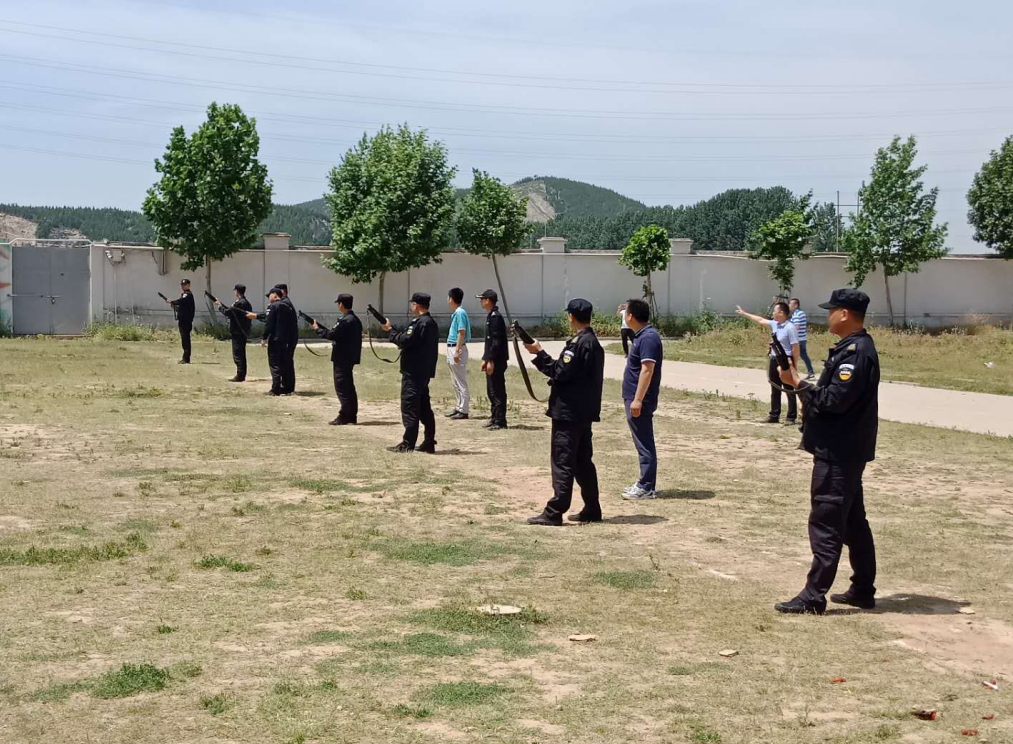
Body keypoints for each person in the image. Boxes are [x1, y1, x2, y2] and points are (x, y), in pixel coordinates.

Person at [775, 288, 880, 615]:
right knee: (853, 523)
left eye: (832, 310)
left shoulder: (856, 353)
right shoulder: (853, 347)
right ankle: (862, 589)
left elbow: (834, 401)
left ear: (845, 314)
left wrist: (797, 382)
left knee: (827, 521)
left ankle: (813, 595)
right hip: (845, 448)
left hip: (839, 451)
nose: (828, 316)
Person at [521, 298, 605, 526]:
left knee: (563, 461)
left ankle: (554, 511)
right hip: (583, 412)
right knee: (582, 462)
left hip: (569, 413)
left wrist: (539, 353)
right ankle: (592, 508)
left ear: (571, 316)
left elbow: (560, 371)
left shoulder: (578, 344)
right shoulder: (592, 342)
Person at [382, 293, 439, 453]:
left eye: (412, 303)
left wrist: (390, 331)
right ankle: (429, 441)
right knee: (424, 408)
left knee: (410, 406)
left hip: (413, 372)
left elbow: (405, 341)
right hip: (423, 371)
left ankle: (408, 443)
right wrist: (394, 331)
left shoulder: (420, 323)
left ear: (417, 305)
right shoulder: (430, 323)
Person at [620, 299, 663, 501]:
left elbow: (647, 370)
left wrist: (637, 400)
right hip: (633, 397)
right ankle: (645, 483)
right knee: (641, 442)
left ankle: (646, 486)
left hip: (640, 400)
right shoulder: (641, 335)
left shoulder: (648, 338)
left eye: (625, 312)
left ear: (631, 316)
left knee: (644, 442)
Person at [736, 301, 800, 425]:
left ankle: (791, 417)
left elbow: (795, 347)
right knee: (775, 387)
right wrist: (744, 313)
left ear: (781, 313)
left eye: (775, 311)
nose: (773, 313)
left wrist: (794, 364)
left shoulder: (790, 327)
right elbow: (760, 320)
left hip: (786, 359)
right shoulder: (775, 324)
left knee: (788, 388)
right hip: (774, 358)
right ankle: (774, 415)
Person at [312, 294, 362, 425]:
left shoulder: (345, 320)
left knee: (342, 387)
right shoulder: (354, 319)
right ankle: (351, 415)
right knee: (348, 387)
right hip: (348, 357)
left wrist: (318, 330)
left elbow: (333, 335)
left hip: (342, 357)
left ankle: (345, 415)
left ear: (341, 304)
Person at [246, 287, 291, 396]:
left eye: (270, 295)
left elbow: (269, 324)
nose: (269, 297)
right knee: (283, 363)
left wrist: (264, 337)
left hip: (275, 339)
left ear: (275, 295)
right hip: (284, 339)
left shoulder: (273, 306)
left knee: (274, 364)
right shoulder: (287, 306)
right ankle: (285, 387)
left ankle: (275, 389)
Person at [477, 289, 509, 430]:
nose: (481, 301)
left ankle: (500, 420)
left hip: (497, 360)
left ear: (488, 300)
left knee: (497, 390)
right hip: (492, 358)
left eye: (482, 299)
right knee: (491, 390)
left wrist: (490, 360)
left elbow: (496, 342)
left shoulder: (496, 317)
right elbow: (489, 342)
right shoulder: (491, 316)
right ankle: (494, 417)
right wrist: (485, 358)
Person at [213, 284, 253, 382]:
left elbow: (228, 312)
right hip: (242, 331)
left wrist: (219, 306)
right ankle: (241, 374)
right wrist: (221, 304)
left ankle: (240, 375)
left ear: (237, 291)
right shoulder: (246, 303)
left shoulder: (239, 303)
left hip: (237, 331)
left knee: (238, 354)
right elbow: (231, 310)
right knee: (241, 353)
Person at [444, 288, 472, 420]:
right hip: (451, 347)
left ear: (452, 298)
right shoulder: (457, 313)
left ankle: (464, 409)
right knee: (455, 380)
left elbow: (462, 332)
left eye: (448, 297)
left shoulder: (460, 313)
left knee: (460, 380)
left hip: (456, 347)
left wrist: (457, 350)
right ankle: (458, 406)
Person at [165, 278, 195, 364]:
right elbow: (182, 307)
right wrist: (174, 306)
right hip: (183, 320)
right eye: (182, 285)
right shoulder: (184, 294)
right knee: (184, 338)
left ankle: (186, 358)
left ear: (189, 285)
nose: (183, 286)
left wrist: (172, 302)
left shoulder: (188, 295)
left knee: (185, 339)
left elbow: (181, 301)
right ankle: (185, 357)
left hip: (186, 321)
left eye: (185, 284)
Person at [276, 283, 298, 394]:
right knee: (286, 362)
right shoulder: (285, 303)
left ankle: (287, 386)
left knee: (287, 362)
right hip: (289, 337)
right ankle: (287, 385)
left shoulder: (285, 303)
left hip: (288, 338)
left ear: (282, 291)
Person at [790, 298, 816, 379]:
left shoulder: (796, 314)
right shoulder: (801, 313)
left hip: (797, 339)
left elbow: (796, 327)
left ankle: (792, 373)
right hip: (802, 338)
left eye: (791, 304)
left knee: (791, 355)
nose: (789, 305)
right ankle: (811, 372)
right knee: (804, 355)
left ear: (796, 305)